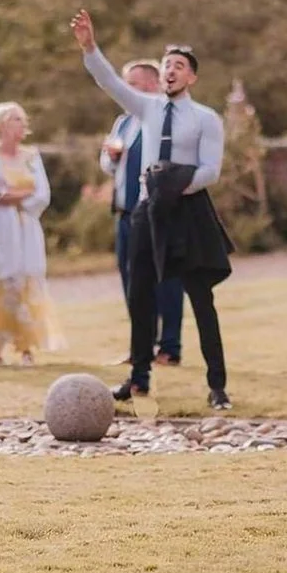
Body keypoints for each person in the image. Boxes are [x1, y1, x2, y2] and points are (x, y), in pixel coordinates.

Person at [70, 10, 234, 409]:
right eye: (166, 65)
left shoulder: (206, 119)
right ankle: (138, 377)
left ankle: (217, 386)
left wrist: (171, 188)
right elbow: (107, 80)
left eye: (179, 65)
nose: (171, 71)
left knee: (200, 299)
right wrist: (90, 46)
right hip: (146, 213)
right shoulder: (146, 108)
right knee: (140, 293)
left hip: (186, 211)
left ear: (191, 77)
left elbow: (210, 171)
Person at [99, 59, 185, 367]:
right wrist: (110, 157)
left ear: (151, 84)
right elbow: (108, 167)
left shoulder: (162, 119)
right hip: (125, 214)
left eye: (132, 85)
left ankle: (170, 346)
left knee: (166, 279)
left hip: (155, 214)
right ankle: (142, 347)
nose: (126, 91)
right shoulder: (122, 122)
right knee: (132, 282)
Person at [0, 102, 63, 364]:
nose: (21, 123)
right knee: (0, 277)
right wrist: (13, 194)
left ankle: (27, 346)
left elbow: (41, 194)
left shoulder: (31, 155)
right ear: (1, 124)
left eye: (22, 119)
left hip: (27, 225)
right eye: (15, 119)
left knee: (28, 277)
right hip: (0, 226)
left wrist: (16, 197)